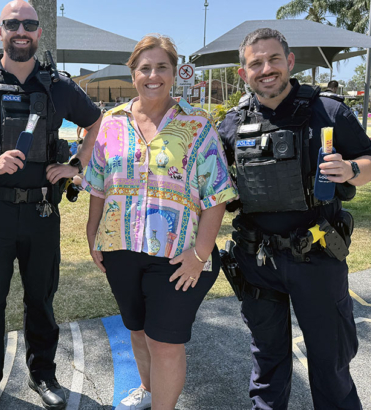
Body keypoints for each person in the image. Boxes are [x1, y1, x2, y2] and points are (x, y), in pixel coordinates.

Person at [0, 1, 102, 409]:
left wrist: (75, 165)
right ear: (0, 30)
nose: (21, 30)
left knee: (40, 300)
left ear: (38, 33)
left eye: (29, 24)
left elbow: (97, 122)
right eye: (12, 24)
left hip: (41, 212)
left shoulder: (59, 86)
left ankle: (43, 375)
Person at [218, 28, 371, 409]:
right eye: (255, 63)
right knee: (268, 363)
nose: (266, 68)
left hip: (318, 259)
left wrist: (351, 168)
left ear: (289, 62)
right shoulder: (231, 125)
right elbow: (211, 184)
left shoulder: (329, 111)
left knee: (330, 362)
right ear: (244, 73)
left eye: (274, 59)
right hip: (257, 263)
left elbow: (370, 161)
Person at [84, 34, 237, 410]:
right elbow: (99, 184)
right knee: (137, 330)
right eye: (144, 68)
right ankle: (148, 391)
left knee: (165, 343)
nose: (153, 75)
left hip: (177, 253)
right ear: (132, 73)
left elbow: (217, 194)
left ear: (174, 73)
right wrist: (92, 234)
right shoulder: (112, 122)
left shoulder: (196, 124)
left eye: (161, 67)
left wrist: (200, 255)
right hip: (119, 247)